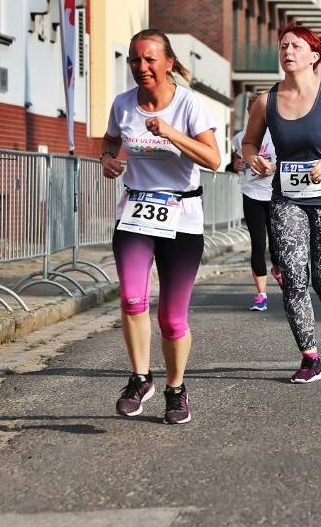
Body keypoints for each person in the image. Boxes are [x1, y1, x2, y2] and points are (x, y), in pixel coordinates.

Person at [100, 28, 220, 424]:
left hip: (182, 216)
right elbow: (109, 141)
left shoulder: (189, 105)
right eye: (135, 59)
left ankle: (176, 389)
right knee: (133, 299)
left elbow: (213, 159)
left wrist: (170, 132)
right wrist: (107, 159)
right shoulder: (123, 104)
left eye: (150, 59)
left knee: (171, 318)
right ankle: (139, 378)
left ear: (169, 63)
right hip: (135, 212)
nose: (142, 67)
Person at [241, 21, 321, 384]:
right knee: (294, 278)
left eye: (296, 46)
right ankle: (309, 357)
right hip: (286, 199)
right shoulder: (267, 101)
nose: (288, 51)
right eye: (283, 46)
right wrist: (253, 159)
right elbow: (248, 142)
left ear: (314, 56)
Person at [231, 92, 282, 312]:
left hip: (274, 194)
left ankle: (278, 270)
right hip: (251, 193)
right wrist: (236, 165)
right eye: (253, 109)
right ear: (249, 112)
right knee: (258, 245)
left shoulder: (278, 134)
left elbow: (287, 161)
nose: (257, 112)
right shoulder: (240, 137)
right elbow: (236, 161)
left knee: (277, 245)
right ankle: (261, 294)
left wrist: (273, 167)